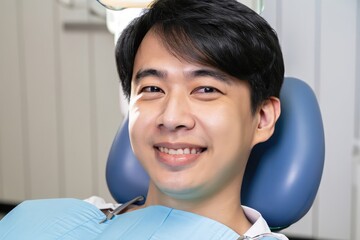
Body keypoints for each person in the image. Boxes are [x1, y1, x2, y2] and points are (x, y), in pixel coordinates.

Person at [0, 0, 286, 239]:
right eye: (152, 89)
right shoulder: (57, 219)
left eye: (206, 90)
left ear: (262, 118)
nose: (172, 117)